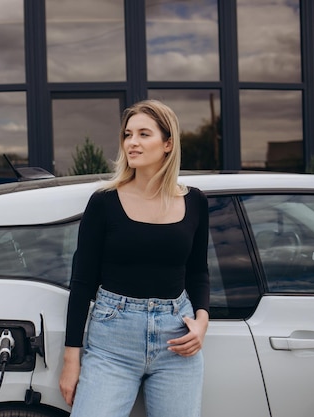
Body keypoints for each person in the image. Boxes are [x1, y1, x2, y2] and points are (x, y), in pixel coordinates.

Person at [59, 99, 210, 417]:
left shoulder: (195, 202)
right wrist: (72, 360)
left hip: (177, 341)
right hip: (112, 340)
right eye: (128, 134)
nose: (132, 143)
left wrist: (201, 323)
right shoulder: (104, 202)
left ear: (168, 143)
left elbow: (198, 272)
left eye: (144, 134)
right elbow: (83, 281)